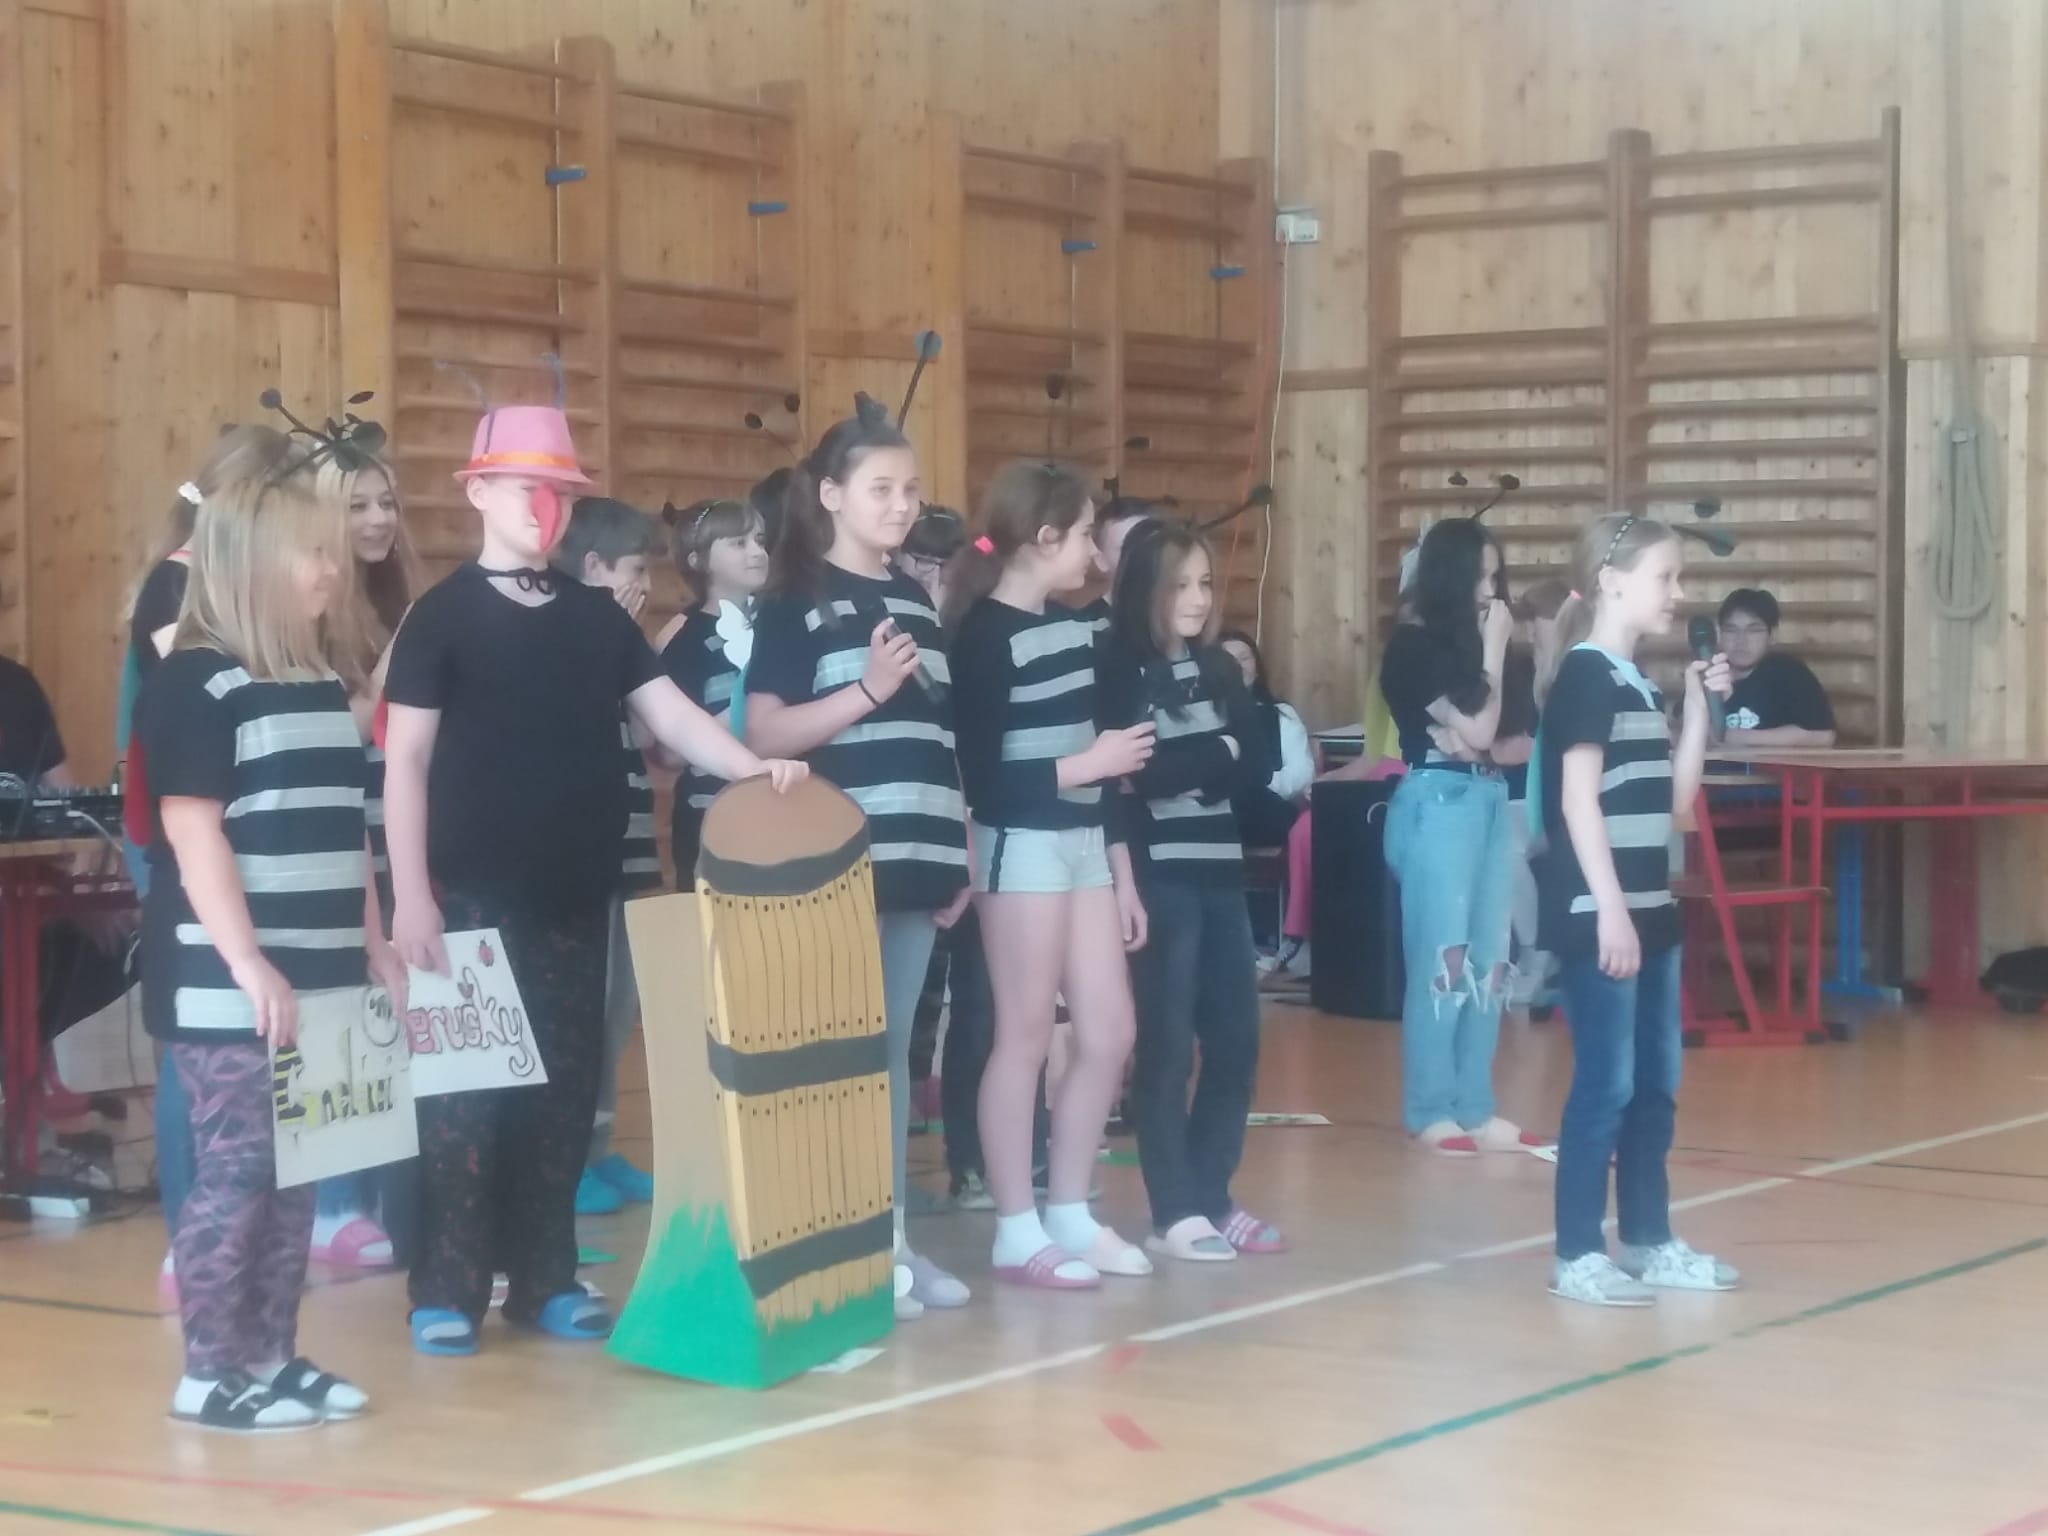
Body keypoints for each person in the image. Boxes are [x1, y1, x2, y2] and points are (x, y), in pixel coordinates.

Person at [384, 402, 804, 1357]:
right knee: (463, 1101)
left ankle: (546, 1276)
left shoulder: (593, 620)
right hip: (468, 898)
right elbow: (404, 760)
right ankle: (446, 1285)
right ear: (478, 492)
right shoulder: (441, 616)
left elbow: (672, 715)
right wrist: (411, 894)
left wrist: (748, 767)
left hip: (576, 892)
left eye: (559, 492)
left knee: (565, 1090)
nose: (543, 507)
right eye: (523, 487)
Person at [137, 424, 401, 1430]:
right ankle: (208, 1371)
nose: (334, 569)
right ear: (251, 563)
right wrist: (247, 961)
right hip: (225, 985)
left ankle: (269, 1355)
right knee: (239, 1169)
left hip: (320, 976)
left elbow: (349, 831)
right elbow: (191, 830)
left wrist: (373, 943)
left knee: (296, 1178)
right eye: (314, 553)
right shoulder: (198, 683)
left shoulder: (324, 689)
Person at [742, 399, 973, 1319]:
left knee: (889, 1056)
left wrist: (957, 852)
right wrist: (867, 691)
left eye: (911, 489)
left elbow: (943, 739)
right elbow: (765, 732)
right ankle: (836, 1249)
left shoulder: (917, 600)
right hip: (835, 862)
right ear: (832, 494)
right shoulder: (793, 602)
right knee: (835, 1058)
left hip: (919, 858)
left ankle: (891, 1242)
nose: (902, 505)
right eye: (881, 488)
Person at [945, 460, 1155, 1290]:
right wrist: (1084, 767)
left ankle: (1069, 1209)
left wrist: (1121, 871)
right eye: (1084, 535)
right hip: (1019, 845)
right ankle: (1015, 1225)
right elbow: (982, 779)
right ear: (1042, 538)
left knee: (1109, 1031)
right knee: (1026, 1035)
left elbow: (1112, 755)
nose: (1095, 553)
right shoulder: (981, 638)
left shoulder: (1081, 631)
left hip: (1083, 845)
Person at [1536, 513, 1741, 1306]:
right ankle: (1578, 1254)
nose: (1677, 593)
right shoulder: (1586, 676)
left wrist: (1695, 711)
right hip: (1604, 913)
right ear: (1612, 582)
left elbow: (1678, 803)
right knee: (1605, 1085)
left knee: (1655, 1086)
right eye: (1666, 577)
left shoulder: (1636, 682)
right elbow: (1576, 801)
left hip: (1652, 912)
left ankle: (1649, 1240)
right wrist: (1610, 912)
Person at [122, 425, 287, 1303]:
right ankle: (191, 1235)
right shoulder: (173, 585)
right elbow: (208, 695)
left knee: (246, 1045)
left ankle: (247, 1233)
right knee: (198, 1040)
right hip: (181, 826)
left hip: (242, 830)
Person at [1103, 525, 1285, 1261]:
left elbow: (1260, 760)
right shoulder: (1118, 667)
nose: (1197, 597)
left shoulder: (1217, 668)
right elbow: (1137, 775)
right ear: (1146, 587)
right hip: (1160, 877)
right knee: (1167, 1046)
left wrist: (1200, 760)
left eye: (1205, 583)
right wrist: (1218, 755)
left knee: (1237, 1041)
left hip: (1219, 872)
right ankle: (1172, 1210)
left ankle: (1214, 1195)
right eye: (1180, 583)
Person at [301, 446, 425, 1270]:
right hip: (342, 825)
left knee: (397, 1009)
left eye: (386, 502)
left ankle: (387, 1196)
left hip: (403, 823)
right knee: (342, 1013)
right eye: (358, 505)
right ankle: (331, 1206)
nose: (379, 519)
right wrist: (395, 667)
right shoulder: (309, 610)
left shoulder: (402, 596)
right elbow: (339, 724)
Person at [1379, 517, 1537, 1157]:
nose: (1490, 591)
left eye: (1496, 576)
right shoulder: (1413, 649)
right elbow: (1479, 730)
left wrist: (1479, 738)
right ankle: (1430, 1107)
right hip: (1437, 801)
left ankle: (1474, 1105)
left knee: (1489, 962)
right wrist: (1492, 660)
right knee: (1443, 960)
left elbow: (1516, 740)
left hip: (1490, 798)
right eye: (1480, 577)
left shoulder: (1483, 653)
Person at [552, 496, 665, 1218]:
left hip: (627, 851)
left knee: (618, 1011)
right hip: (581, 856)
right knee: (582, 1013)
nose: (645, 586)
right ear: (594, 567)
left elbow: (649, 734)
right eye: (636, 570)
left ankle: (598, 1146)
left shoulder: (619, 640)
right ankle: (565, 1161)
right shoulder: (562, 637)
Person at [656, 496, 770, 880]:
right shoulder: (684, 640)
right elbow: (670, 753)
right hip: (711, 820)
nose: (757, 552)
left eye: (759, 540)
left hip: (785, 814)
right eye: (739, 543)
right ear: (699, 560)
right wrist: (745, 711)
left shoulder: (783, 625)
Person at [1498, 578, 1571, 1017]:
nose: (1530, 631)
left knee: (1505, 841)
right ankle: (1533, 950)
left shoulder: (1583, 667)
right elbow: (1508, 747)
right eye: (1528, 622)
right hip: (1532, 799)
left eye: (1539, 620)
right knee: (1498, 841)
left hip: (1573, 803)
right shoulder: (1521, 672)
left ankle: (1540, 954)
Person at [1219, 629, 1314, 849]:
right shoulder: (1203, 716)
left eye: (1244, 658)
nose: (1237, 666)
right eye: (1228, 660)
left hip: (1266, 808)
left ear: (1257, 667)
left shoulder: (1281, 714)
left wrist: (1261, 784)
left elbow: (1302, 772)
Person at [1716, 588, 1837, 747]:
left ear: (1772, 635)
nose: (1741, 640)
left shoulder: (1790, 673)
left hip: (1771, 764)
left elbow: (1824, 736)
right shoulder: (1709, 674)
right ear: (1719, 635)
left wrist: (1738, 737)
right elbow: (1685, 730)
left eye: (1754, 630)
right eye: (1731, 630)